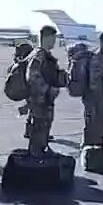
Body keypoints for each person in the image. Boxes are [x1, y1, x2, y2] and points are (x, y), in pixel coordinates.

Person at [24, 25, 67, 154]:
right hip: (40, 101)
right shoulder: (39, 55)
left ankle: (40, 156)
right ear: (47, 38)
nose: (54, 42)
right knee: (38, 132)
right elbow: (32, 77)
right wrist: (49, 89)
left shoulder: (45, 55)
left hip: (45, 101)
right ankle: (36, 161)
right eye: (53, 38)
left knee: (43, 132)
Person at [82, 31, 103, 147]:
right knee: (93, 126)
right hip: (95, 99)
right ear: (101, 42)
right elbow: (94, 81)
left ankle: (96, 150)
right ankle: (88, 152)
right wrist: (101, 98)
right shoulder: (97, 58)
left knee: (101, 126)